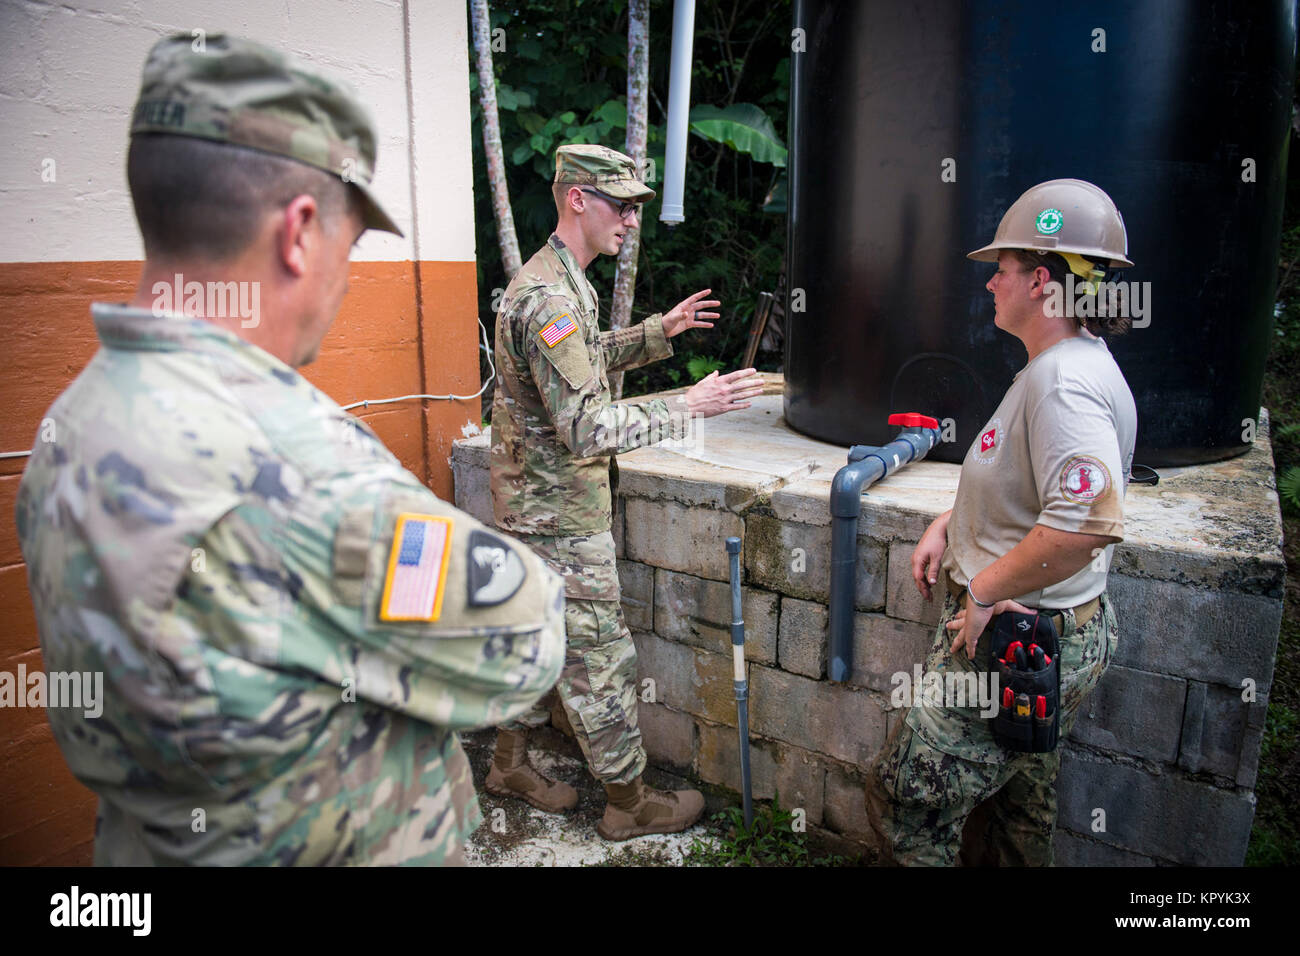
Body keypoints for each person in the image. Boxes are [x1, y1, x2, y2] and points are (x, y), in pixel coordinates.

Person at [14, 33, 566, 866]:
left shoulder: (74, 422)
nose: (344, 280)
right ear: (300, 232)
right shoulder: (297, 466)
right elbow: (527, 640)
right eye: (349, 247)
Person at [488, 144, 764, 840]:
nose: (631, 221)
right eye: (622, 205)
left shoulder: (558, 279)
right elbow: (583, 425)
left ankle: (507, 762)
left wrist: (653, 335)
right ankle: (629, 804)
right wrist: (688, 407)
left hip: (535, 510)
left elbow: (580, 361)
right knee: (603, 662)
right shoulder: (550, 296)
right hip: (558, 523)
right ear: (577, 199)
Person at [865, 179, 1138, 865]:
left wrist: (981, 591)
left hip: (1018, 637)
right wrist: (952, 520)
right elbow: (1029, 485)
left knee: (906, 799)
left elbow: (1083, 525)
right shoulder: (1062, 366)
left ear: (1041, 281)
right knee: (1020, 803)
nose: (990, 286)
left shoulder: (1064, 382)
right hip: (1046, 630)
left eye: (1002, 272)